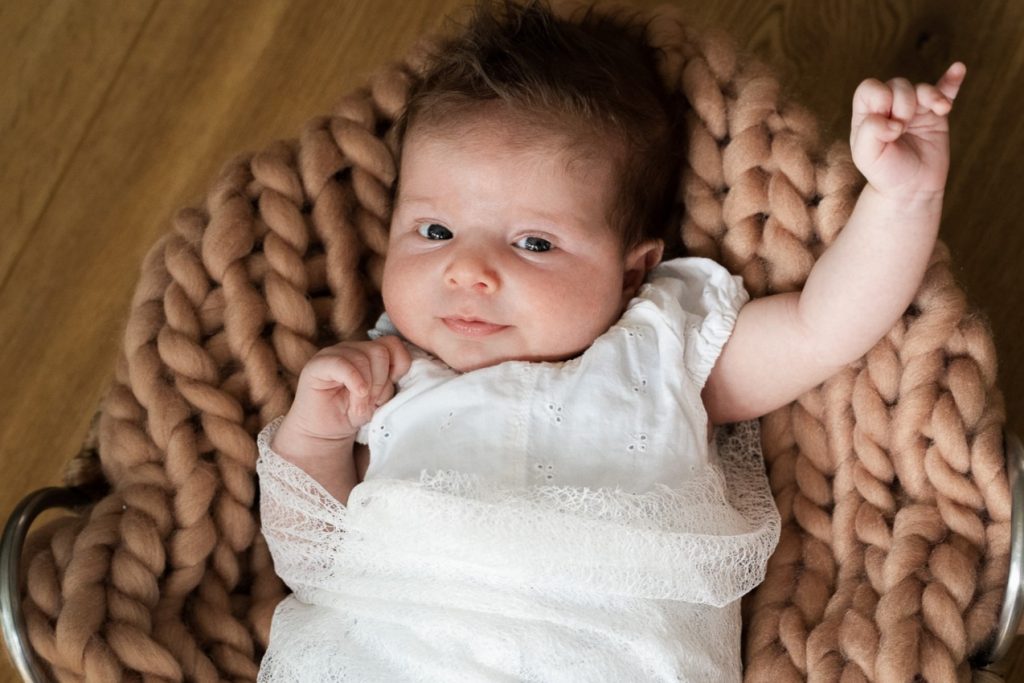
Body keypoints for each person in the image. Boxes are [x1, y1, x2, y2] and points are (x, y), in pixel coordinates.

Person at [254, 1, 966, 679]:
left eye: (534, 243)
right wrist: (315, 436)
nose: (466, 270)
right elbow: (314, 556)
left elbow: (821, 327)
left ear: (631, 274)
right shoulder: (385, 379)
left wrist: (901, 199)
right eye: (435, 231)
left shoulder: (660, 351)